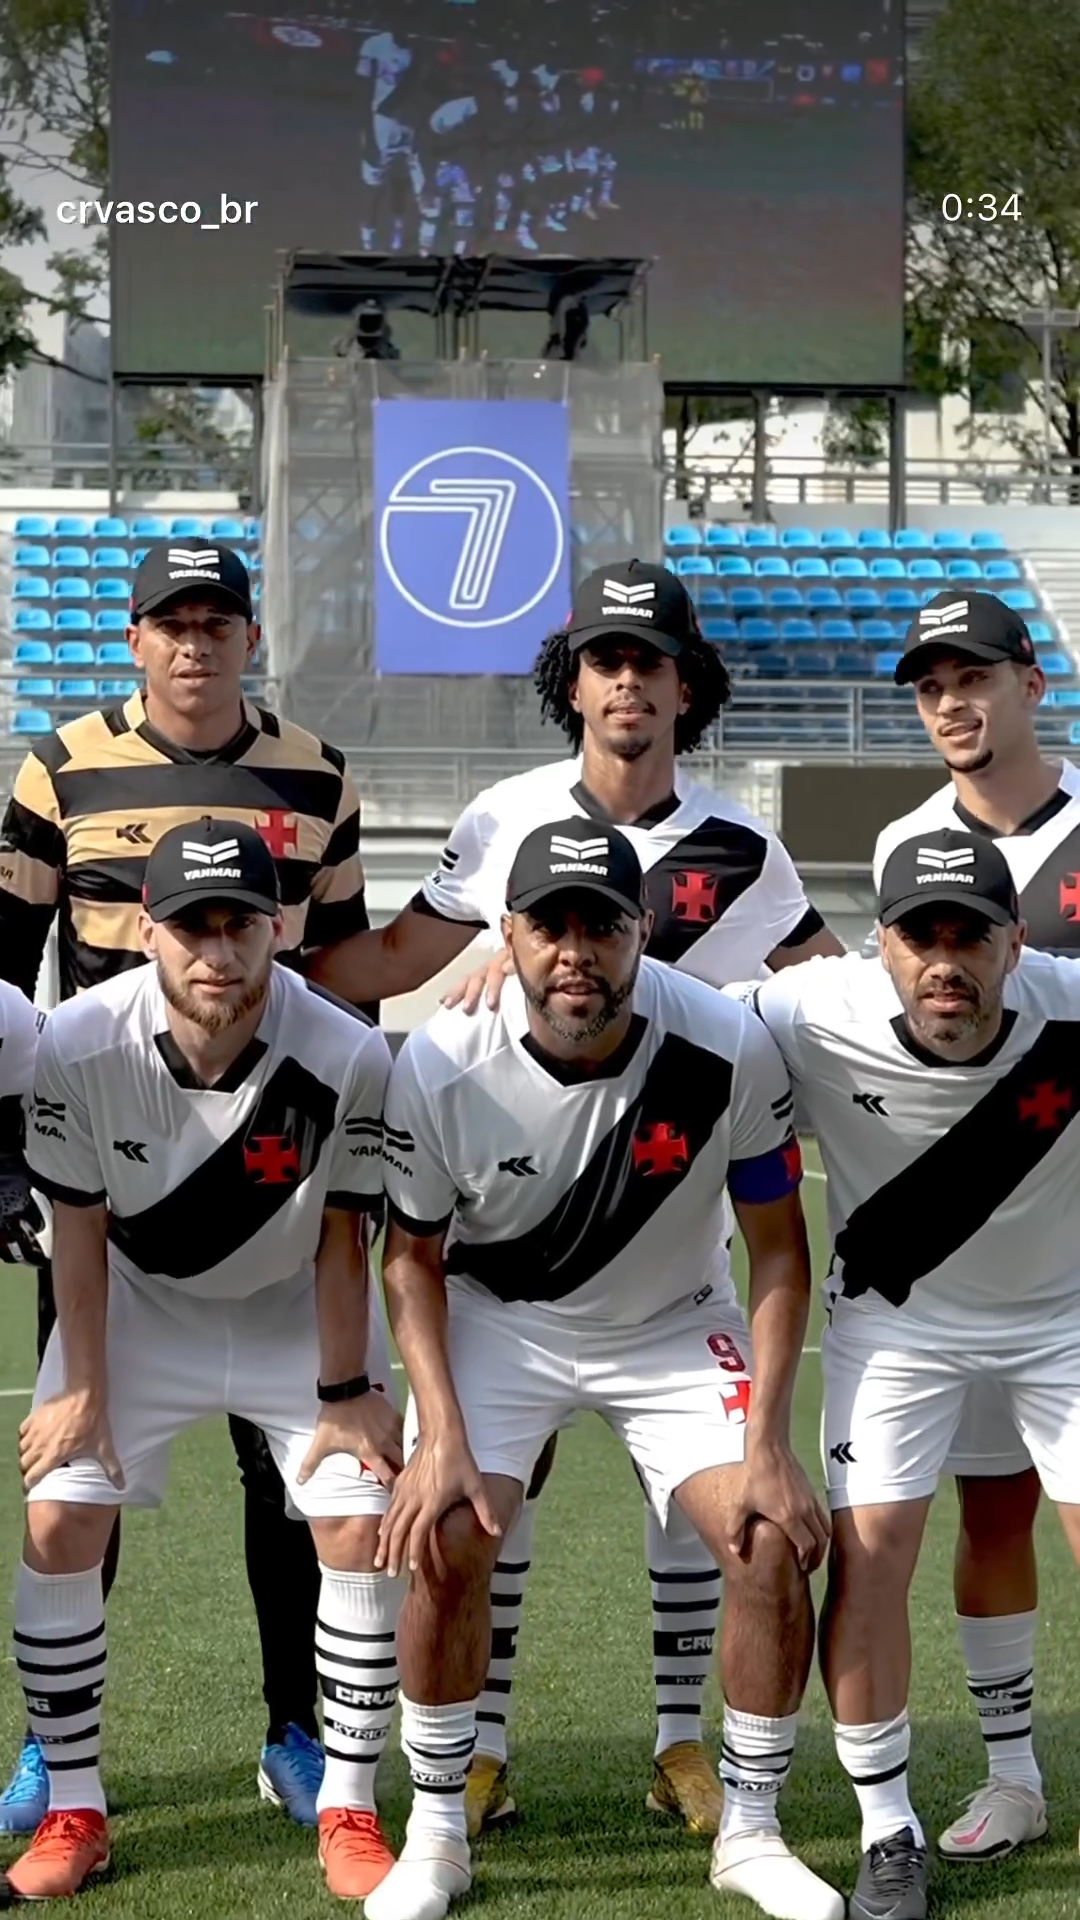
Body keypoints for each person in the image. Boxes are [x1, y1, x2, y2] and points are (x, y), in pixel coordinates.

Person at [313, 557, 843, 1837]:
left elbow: (831, 986)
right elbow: (400, 959)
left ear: (685, 685)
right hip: (519, 1210)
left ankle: (680, 1745)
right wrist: (251, 967)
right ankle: (480, 1751)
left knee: (706, 1501)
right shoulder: (508, 816)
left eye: (650, 662)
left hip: (673, 1215)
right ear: (575, 683)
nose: (627, 683)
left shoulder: (745, 848)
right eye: (605, 660)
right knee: (498, 1483)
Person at [369, 816, 843, 1920]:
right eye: (550, 926)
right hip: (500, 1321)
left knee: (769, 1535)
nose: (575, 951)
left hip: (673, 1322)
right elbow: (410, 1261)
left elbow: (779, 1250)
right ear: (509, 934)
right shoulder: (440, 1058)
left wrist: (769, 1441)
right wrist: (439, 1436)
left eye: (602, 925)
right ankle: (437, 1834)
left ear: (643, 932)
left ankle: (753, 1831)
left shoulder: (726, 1043)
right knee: (444, 1528)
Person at [0, 537, 374, 1834]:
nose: (195, 641)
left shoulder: (316, 772)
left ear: (249, 637)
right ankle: (54, 1751)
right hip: (109, 1164)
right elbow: (3, 971)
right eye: (174, 621)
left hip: (269, 1163)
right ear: (135, 637)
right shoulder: (58, 767)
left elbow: (340, 972)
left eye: (218, 621)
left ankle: (295, 1730)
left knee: (291, 1474)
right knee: (78, 1455)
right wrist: (10, 1158)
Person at [5, 820, 401, 1903]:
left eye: (240, 926)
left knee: (359, 1518)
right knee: (59, 1514)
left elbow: (344, 1239)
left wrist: (345, 1395)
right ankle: (75, 1806)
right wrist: (83, 1388)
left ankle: (351, 1807)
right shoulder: (76, 1041)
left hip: (292, 1315)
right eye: (193, 927)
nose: (217, 953)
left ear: (279, 928)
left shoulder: (348, 1054)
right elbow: (77, 1230)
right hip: (137, 1310)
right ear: (148, 931)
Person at [735, 827, 1080, 1920]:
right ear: (877, 945)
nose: (945, 961)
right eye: (920, 936)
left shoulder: (1072, 1007)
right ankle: (888, 1830)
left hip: (1065, 1324)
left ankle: (1014, 1779)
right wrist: (497, 982)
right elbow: (660, 1007)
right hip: (898, 1328)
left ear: (1015, 944)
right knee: (872, 1558)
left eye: (969, 937)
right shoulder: (807, 1009)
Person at [872, 586, 1076, 1860]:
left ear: (1030, 684)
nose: (952, 702)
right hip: (974, 1244)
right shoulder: (909, 841)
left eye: (974, 677)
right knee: (992, 1513)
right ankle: (1013, 1775)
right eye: (931, 686)